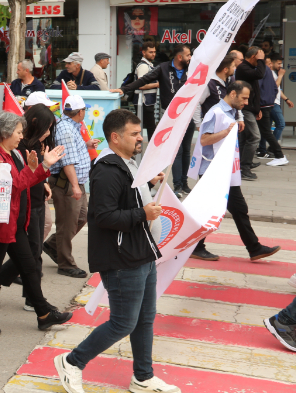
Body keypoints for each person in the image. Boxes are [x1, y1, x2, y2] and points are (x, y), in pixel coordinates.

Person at [54, 109, 175, 393]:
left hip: (142, 252)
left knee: (145, 318)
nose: (140, 139)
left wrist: (148, 184)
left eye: (139, 133)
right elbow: (105, 216)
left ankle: (143, 377)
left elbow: (127, 196)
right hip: (122, 259)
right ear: (115, 137)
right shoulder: (107, 170)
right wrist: (142, 214)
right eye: (134, 134)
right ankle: (72, 362)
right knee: (123, 322)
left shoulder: (128, 164)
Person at [0, 112, 70, 335]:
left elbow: (25, 182)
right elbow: (14, 185)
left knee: (28, 267)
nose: (21, 136)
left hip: (14, 223)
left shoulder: (13, 153)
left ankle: (44, 313)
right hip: (0, 224)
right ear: (6, 132)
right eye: (18, 132)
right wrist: (41, 165)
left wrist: (40, 169)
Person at [188, 81, 281, 262]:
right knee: (215, 210)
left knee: (237, 209)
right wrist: (225, 132)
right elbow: (204, 140)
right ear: (232, 94)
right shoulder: (215, 113)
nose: (246, 102)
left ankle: (254, 248)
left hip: (225, 171)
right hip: (213, 171)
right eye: (244, 98)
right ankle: (197, 246)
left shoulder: (231, 112)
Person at [0, 104, 57, 308]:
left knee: (30, 254)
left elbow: (31, 175)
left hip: (34, 204)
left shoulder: (36, 144)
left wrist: (44, 179)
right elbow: (19, 180)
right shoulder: (12, 149)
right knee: (30, 255)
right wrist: (43, 168)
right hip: (19, 208)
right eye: (46, 127)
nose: (48, 132)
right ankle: (32, 300)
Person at [122, 44, 194, 196]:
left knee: (187, 151)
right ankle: (177, 186)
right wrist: (124, 89)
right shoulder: (163, 68)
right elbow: (143, 80)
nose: (190, 58)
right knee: (177, 152)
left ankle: (184, 183)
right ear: (179, 57)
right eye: (188, 55)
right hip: (172, 118)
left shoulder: (192, 68)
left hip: (189, 116)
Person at [43, 95, 97, 278]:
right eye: (84, 110)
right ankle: (66, 263)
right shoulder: (66, 129)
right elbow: (67, 162)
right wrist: (75, 186)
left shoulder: (70, 126)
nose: (85, 113)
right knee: (67, 224)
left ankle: (52, 245)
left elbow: (71, 150)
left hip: (75, 183)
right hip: (67, 184)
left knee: (81, 218)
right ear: (80, 112)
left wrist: (86, 144)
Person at [235, 46, 267, 180]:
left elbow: (255, 90)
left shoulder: (248, 68)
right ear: (254, 57)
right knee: (254, 137)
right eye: (259, 58)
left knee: (245, 138)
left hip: (250, 108)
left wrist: (257, 109)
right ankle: (244, 167)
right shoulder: (243, 67)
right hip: (245, 109)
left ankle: (242, 165)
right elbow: (260, 74)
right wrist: (261, 61)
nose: (261, 61)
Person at [255, 56, 288, 167]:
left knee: (267, 130)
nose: (269, 65)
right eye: (268, 63)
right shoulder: (269, 72)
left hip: (266, 104)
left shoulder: (266, 71)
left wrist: (286, 99)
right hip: (268, 103)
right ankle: (264, 150)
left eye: (270, 63)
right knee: (267, 130)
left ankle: (275, 153)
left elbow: (274, 89)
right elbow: (275, 88)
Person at [133, 42, 159, 142]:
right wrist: (156, 84)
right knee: (150, 128)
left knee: (149, 128)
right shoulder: (144, 66)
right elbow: (140, 84)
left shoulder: (148, 65)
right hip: (144, 101)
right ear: (144, 53)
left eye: (154, 52)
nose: (153, 54)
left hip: (147, 101)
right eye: (150, 52)